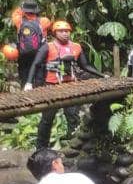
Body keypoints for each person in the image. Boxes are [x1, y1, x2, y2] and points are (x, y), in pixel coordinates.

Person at [26, 21, 105, 149]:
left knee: (73, 116)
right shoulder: (47, 47)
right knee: (47, 119)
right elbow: (36, 64)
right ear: (55, 33)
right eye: (61, 31)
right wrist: (29, 83)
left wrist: (102, 75)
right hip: (52, 86)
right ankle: (41, 148)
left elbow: (85, 65)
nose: (65, 33)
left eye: (67, 31)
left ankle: (74, 146)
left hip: (71, 86)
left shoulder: (76, 47)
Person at [10, 0, 51, 87]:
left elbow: (15, 13)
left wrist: (22, 7)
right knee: (39, 76)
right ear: (36, 10)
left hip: (23, 55)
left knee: (25, 76)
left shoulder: (19, 21)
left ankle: (26, 90)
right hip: (39, 53)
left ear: (24, 10)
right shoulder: (44, 21)